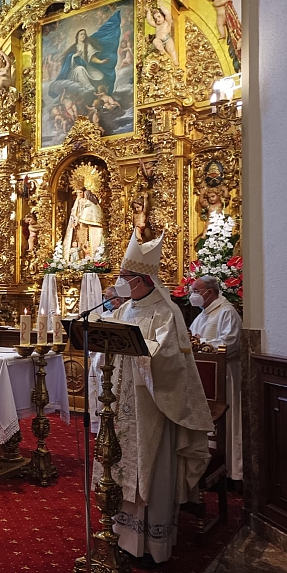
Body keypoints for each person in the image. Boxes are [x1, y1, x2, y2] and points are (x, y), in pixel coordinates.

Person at [92, 231, 213, 567]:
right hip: (120, 403)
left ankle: (150, 544)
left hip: (152, 407)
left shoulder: (166, 311)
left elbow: (172, 361)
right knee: (119, 465)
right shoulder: (127, 307)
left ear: (142, 279)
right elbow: (111, 342)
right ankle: (121, 532)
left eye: (124, 277)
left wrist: (143, 355)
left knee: (151, 469)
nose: (119, 282)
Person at [189, 275, 242, 483]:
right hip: (205, 378)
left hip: (225, 376)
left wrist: (203, 342)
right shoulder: (203, 314)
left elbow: (231, 343)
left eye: (195, 291)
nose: (192, 295)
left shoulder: (226, 312)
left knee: (227, 423)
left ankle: (231, 470)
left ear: (209, 293)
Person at [87, 286, 126, 433]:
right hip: (98, 360)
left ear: (117, 300)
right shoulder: (103, 315)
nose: (104, 300)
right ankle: (98, 424)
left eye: (107, 297)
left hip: (111, 363)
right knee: (96, 391)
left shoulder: (122, 317)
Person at [62, 187, 103, 260]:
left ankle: (87, 257)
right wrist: (74, 220)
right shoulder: (77, 201)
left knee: (85, 241)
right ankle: (79, 257)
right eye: (77, 193)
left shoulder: (87, 201)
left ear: (84, 193)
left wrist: (83, 218)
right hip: (78, 224)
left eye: (80, 192)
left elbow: (90, 211)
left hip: (85, 224)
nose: (79, 194)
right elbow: (75, 212)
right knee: (79, 241)